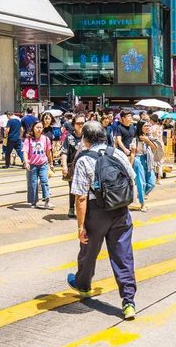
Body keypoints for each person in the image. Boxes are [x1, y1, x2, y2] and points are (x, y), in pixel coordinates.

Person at [67, 121, 138, 320]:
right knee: (123, 255)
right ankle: (128, 302)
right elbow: (131, 177)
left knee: (89, 252)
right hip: (120, 210)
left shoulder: (83, 159)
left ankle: (84, 286)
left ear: (85, 139)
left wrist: (81, 226)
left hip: (96, 212)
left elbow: (80, 197)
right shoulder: (117, 153)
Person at [22, 121, 54, 209]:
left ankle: (47, 201)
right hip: (32, 165)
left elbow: (48, 152)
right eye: (37, 127)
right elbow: (25, 151)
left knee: (44, 181)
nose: (39, 129)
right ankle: (33, 202)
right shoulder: (28, 139)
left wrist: (51, 163)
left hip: (43, 163)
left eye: (41, 127)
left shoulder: (45, 139)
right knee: (33, 183)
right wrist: (26, 162)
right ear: (33, 128)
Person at [61, 114, 86, 218]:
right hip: (73, 167)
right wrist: (64, 166)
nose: (80, 125)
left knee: (87, 189)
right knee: (73, 189)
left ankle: (85, 209)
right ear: (73, 125)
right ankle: (72, 208)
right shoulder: (69, 137)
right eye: (78, 123)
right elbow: (64, 152)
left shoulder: (89, 136)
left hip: (86, 168)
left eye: (82, 123)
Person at [131, 120, 157, 212]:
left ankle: (140, 194)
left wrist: (147, 140)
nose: (147, 128)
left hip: (148, 160)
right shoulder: (135, 139)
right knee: (141, 183)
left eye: (148, 126)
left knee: (152, 183)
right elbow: (133, 153)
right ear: (140, 127)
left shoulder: (149, 137)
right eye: (145, 126)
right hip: (138, 160)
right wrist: (130, 166)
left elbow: (155, 148)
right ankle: (142, 204)